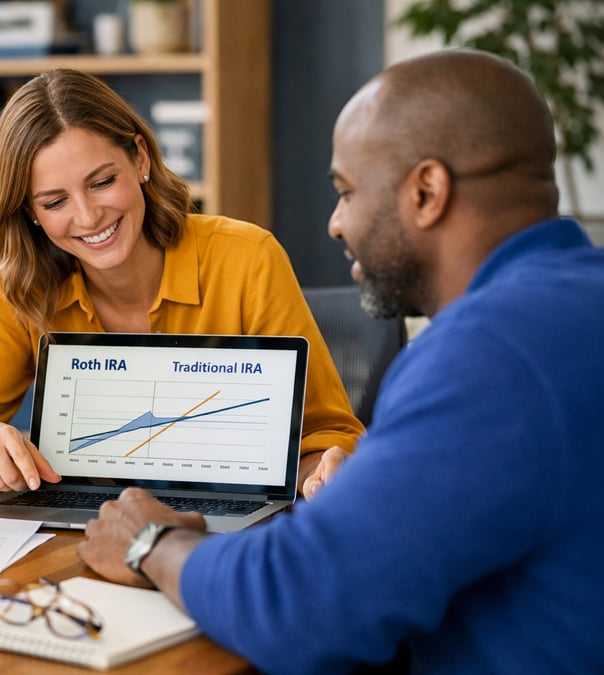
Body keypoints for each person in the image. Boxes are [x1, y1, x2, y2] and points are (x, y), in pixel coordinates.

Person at [77, 49, 604, 673]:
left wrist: (151, 542)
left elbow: (300, 604)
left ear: (427, 191)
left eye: (347, 192)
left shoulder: (491, 354)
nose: (334, 223)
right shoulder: (576, 301)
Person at [0, 68, 363, 496]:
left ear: (140, 158)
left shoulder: (247, 259)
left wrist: (320, 472)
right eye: (54, 201)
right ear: (29, 211)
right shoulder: (17, 282)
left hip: (225, 528)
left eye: (102, 182)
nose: (87, 217)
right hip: (81, 529)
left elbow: (329, 435)